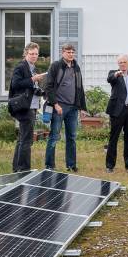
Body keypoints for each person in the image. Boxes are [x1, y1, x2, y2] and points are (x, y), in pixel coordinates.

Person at [42, 43, 83, 171]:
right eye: (68, 52)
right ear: (62, 53)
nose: (71, 54)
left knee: (72, 137)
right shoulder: (55, 66)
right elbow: (48, 87)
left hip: (72, 108)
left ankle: (71, 165)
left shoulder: (76, 67)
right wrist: (55, 104)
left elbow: (79, 88)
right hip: (58, 106)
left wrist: (80, 106)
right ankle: (50, 166)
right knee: (54, 136)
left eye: (72, 52)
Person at [5, 42, 41, 172]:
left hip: (32, 106)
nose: (34, 56)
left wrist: (38, 88)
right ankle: (24, 170)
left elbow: (29, 87)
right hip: (24, 107)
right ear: (26, 53)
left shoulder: (32, 67)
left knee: (22, 139)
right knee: (27, 140)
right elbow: (15, 84)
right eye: (31, 54)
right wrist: (33, 79)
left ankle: (17, 168)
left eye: (36, 54)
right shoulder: (21, 66)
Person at [104, 53, 128, 172]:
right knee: (114, 137)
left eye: (124, 62)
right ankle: (110, 166)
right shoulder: (114, 73)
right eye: (120, 62)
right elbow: (109, 79)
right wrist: (116, 74)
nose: (122, 64)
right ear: (118, 64)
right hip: (117, 110)